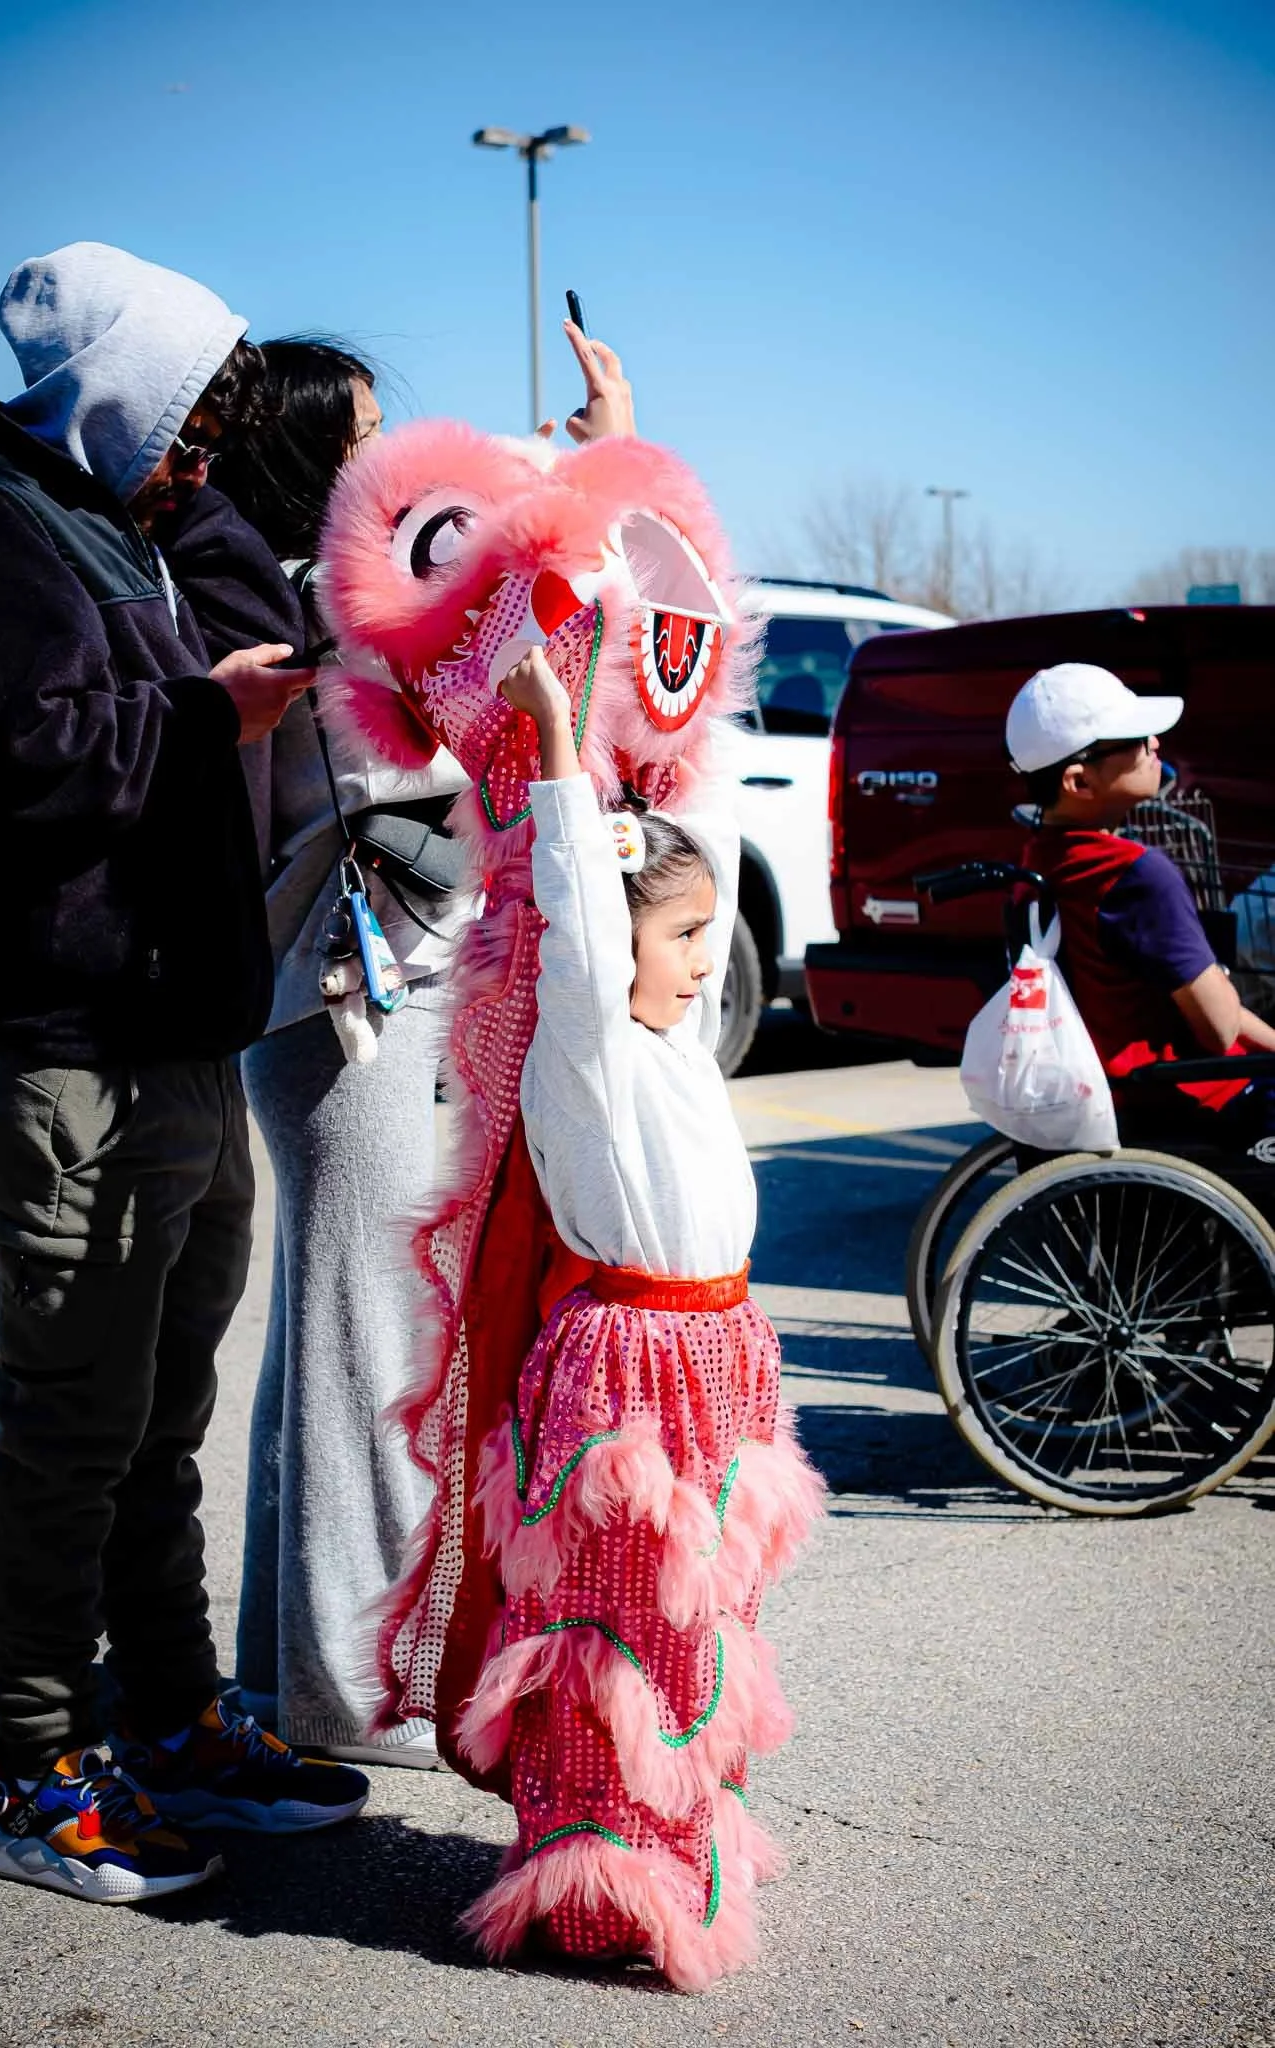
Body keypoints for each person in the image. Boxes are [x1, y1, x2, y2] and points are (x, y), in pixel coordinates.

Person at [0, 242, 370, 1905]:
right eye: (185, 427)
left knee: (161, 1414)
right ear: (107, 397)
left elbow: (259, 615)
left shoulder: (143, 525)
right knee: (73, 1417)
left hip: (187, 1027)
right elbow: (35, 770)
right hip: (73, 1044)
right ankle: (33, 1769)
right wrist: (212, 718)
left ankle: (170, 1718)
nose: (202, 461)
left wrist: (203, 527)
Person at [177, 329, 642, 1767]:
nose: (396, 451)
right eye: (364, 431)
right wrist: (594, 476)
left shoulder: (341, 597)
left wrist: (593, 467)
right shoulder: (337, 608)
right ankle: (339, 1695)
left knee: (331, 1353)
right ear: (310, 456)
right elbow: (496, 668)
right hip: (347, 1019)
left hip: (347, 1010)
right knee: (368, 1354)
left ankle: (289, 1679)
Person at [450, 649, 823, 1990]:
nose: (698, 966)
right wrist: (555, 736)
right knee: (615, 1633)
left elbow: (694, 822)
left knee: (688, 1628)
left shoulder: (666, 1040)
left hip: (710, 1355)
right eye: (678, 941)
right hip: (629, 1373)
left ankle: (671, 1825)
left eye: (709, 941)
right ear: (610, 944)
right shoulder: (588, 1037)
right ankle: (603, 1869)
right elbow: (582, 902)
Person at [1006, 662, 1275, 1147]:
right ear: (1079, 781)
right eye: (1134, 738)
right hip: (1190, 1099)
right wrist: (1218, 979)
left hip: (1111, 1095)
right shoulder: (1137, 875)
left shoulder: (1041, 860)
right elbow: (1218, 1029)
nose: (1154, 744)